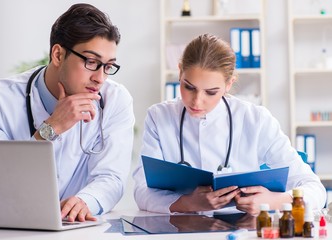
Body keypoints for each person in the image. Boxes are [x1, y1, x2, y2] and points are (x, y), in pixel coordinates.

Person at [0, 3, 135, 222]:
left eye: (107, 66)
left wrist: (87, 200)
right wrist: (51, 128)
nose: (100, 78)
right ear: (58, 55)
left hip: (79, 228)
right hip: (9, 226)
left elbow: (111, 177)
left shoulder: (115, 100)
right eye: (91, 62)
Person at [133, 33, 326, 215]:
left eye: (211, 92)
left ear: (229, 84)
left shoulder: (255, 119)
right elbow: (142, 191)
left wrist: (274, 201)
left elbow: (315, 189)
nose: (197, 101)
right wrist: (188, 203)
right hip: (179, 230)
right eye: (189, 87)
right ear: (179, 71)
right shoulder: (159, 117)